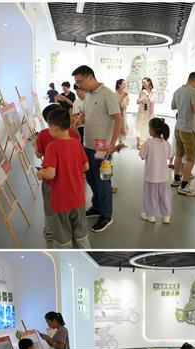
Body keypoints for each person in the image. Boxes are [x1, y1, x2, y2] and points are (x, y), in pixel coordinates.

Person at [72, 65, 122, 233]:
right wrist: (79, 121)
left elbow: (118, 119)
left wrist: (112, 144)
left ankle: (106, 215)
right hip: (87, 144)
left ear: (90, 77)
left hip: (102, 146)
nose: (78, 86)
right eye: (77, 83)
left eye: (80, 81)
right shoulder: (88, 95)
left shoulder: (107, 94)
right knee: (91, 179)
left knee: (103, 181)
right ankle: (97, 206)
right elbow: (86, 114)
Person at [36, 107, 91, 249]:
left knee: (63, 236)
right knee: (81, 233)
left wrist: (40, 173)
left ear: (54, 127)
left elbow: (51, 174)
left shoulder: (52, 147)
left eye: (49, 126)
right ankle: (86, 251)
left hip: (61, 201)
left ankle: (66, 255)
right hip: (78, 198)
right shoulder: (76, 143)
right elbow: (86, 167)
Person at [170, 71, 195, 197]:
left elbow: (173, 106)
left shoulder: (178, 91)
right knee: (190, 158)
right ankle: (184, 186)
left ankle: (176, 179)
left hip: (178, 127)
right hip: (189, 129)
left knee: (179, 154)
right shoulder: (193, 92)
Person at [139, 117, 172, 224]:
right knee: (164, 196)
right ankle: (166, 216)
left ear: (153, 130)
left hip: (151, 175)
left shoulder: (148, 143)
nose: (149, 130)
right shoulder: (166, 143)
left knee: (150, 195)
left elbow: (142, 156)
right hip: (163, 176)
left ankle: (150, 215)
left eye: (149, 128)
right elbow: (170, 156)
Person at [135, 77, 154, 150]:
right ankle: (138, 143)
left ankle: (147, 144)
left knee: (148, 128)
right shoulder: (142, 91)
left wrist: (147, 94)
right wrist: (142, 99)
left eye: (144, 82)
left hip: (149, 113)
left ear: (149, 82)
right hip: (141, 112)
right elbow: (137, 101)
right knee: (139, 126)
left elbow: (151, 101)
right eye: (142, 83)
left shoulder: (153, 92)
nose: (143, 84)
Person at [115, 79, 129, 149]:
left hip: (123, 113)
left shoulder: (126, 94)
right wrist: (123, 97)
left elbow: (126, 103)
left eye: (125, 84)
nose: (125, 85)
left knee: (122, 128)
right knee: (116, 128)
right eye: (123, 84)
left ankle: (120, 143)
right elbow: (118, 105)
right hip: (116, 114)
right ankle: (114, 143)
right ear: (119, 85)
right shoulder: (115, 94)